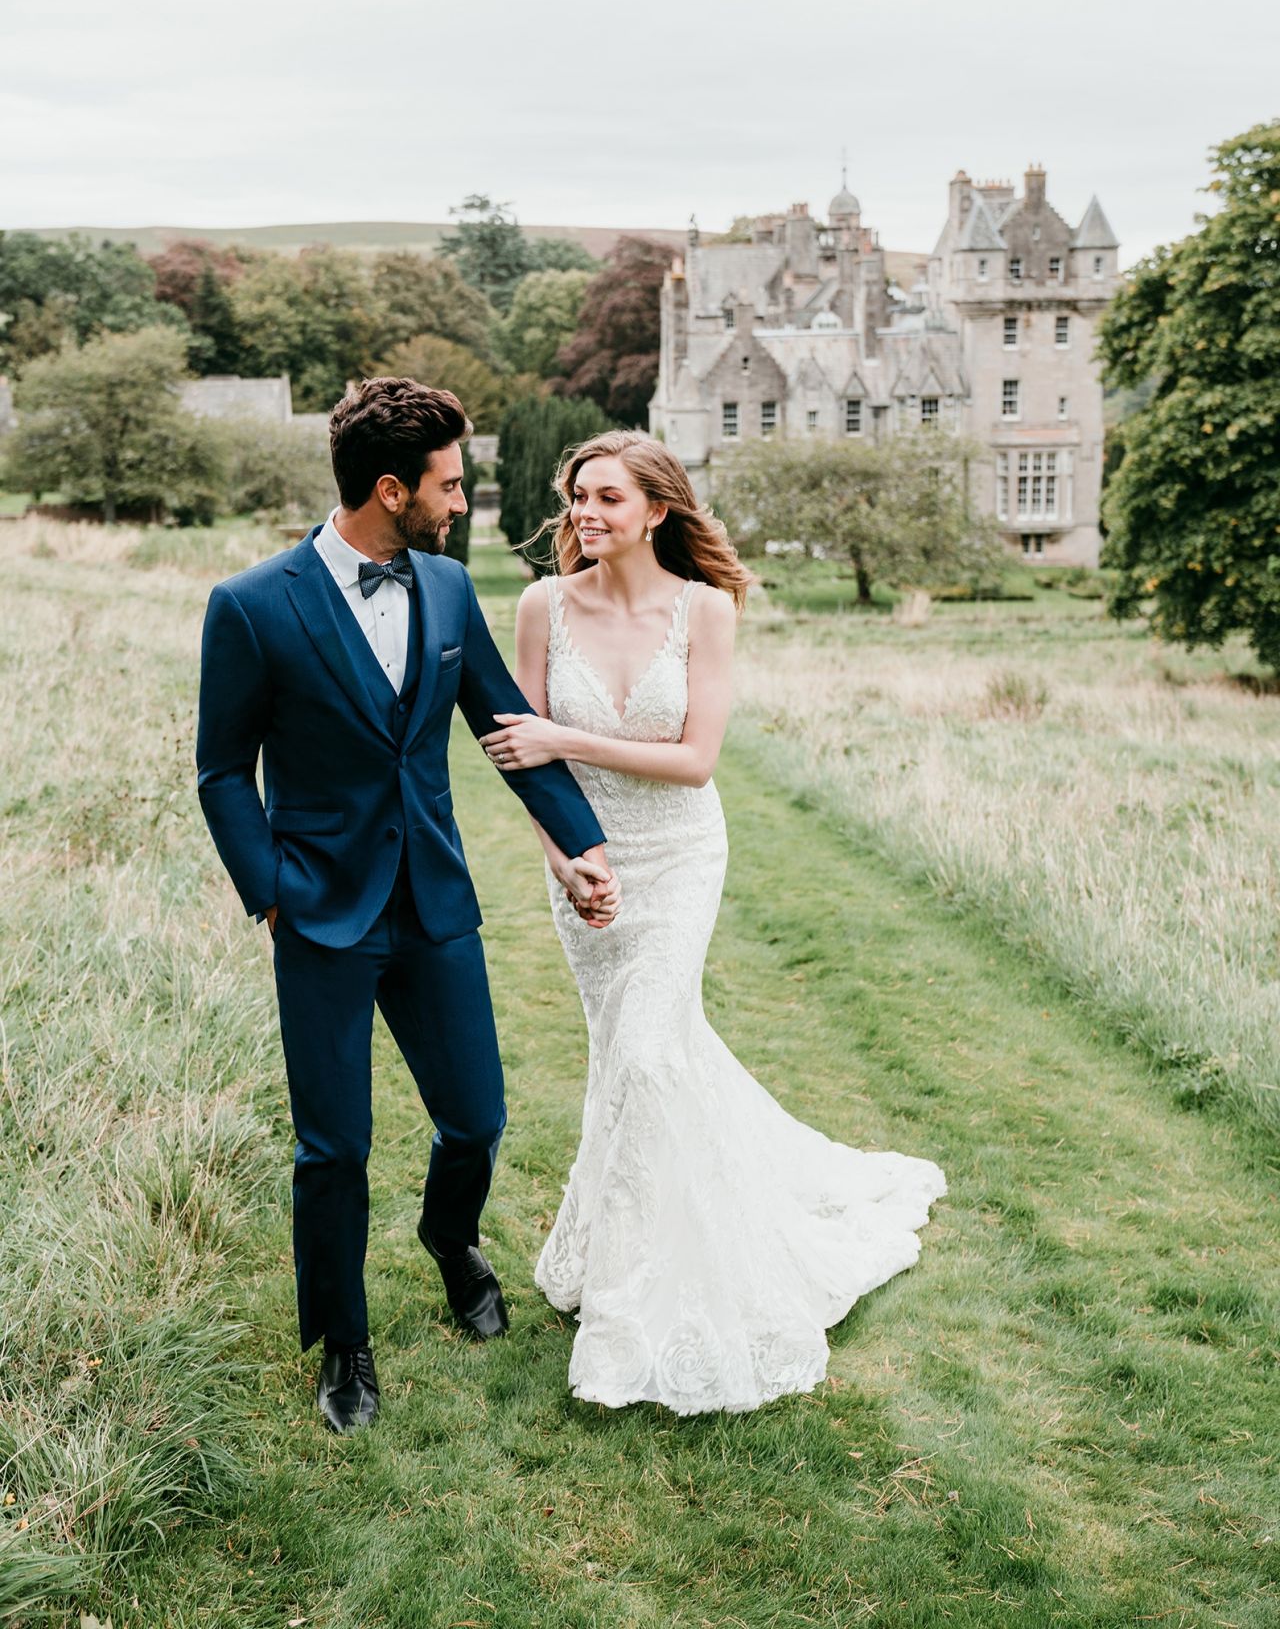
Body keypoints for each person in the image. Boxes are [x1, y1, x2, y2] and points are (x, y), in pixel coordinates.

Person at [479, 430, 946, 1415]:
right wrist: (565, 861)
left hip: (679, 853)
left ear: (657, 510)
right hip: (584, 864)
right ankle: (612, 1247)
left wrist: (565, 734)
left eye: (606, 497)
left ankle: (639, 1301)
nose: (584, 513)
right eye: (575, 497)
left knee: (648, 1052)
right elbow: (521, 762)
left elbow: (694, 759)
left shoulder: (704, 609)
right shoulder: (539, 605)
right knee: (629, 1057)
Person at [196, 378, 618, 1434]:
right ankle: (344, 1345)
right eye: (449, 484)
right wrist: (271, 896)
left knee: (476, 1117)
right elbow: (219, 772)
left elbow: (504, 723)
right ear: (390, 489)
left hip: (432, 901)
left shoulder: (442, 588)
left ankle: (449, 1234)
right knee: (333, 1146)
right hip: (320, 915)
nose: (463, 501)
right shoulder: (250, 604)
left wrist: (582, 843)